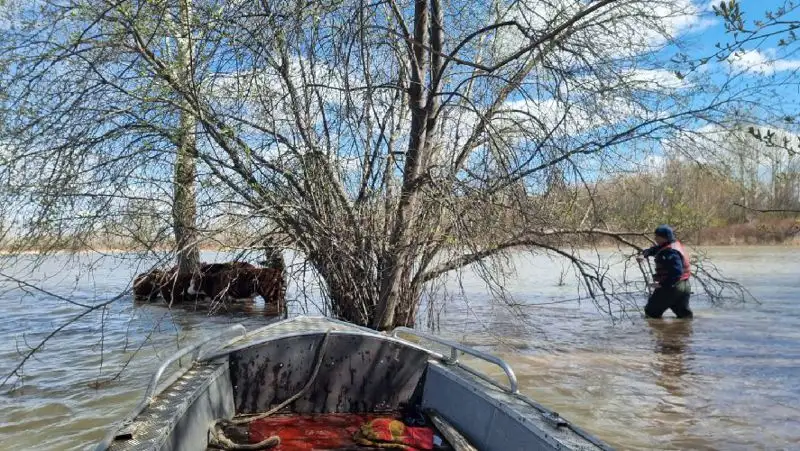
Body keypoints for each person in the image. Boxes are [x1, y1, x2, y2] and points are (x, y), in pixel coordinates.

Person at [637, 224, 693, 319]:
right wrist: (644, 254)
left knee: (651, 313)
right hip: (685, 285)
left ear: (664, 237)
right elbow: (654, 249)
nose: (655, 238)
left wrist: (662, 285)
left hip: (673, 286)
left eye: (657, 236)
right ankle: (686, 328)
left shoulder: (670, 252)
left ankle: (657, 328)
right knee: (684, 316)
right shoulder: (672, 245)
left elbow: (677, 272)